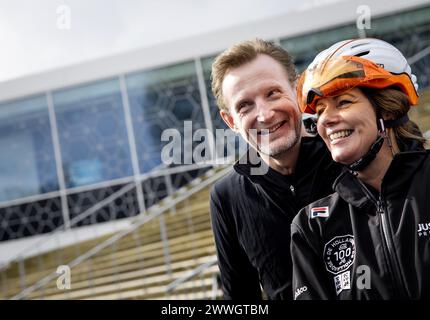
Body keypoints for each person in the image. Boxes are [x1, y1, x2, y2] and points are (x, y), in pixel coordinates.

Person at [291, 38, 430, 300]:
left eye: (343, 102)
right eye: (320, 110)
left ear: (387, 110)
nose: (326, 120)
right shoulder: (311, 226)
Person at [209, 38, 341, 300]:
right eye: (245, 105)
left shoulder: (348, 156)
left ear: (297, 90)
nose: (265, 114)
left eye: (272, 93)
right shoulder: (226, 197)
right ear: (231, 121)